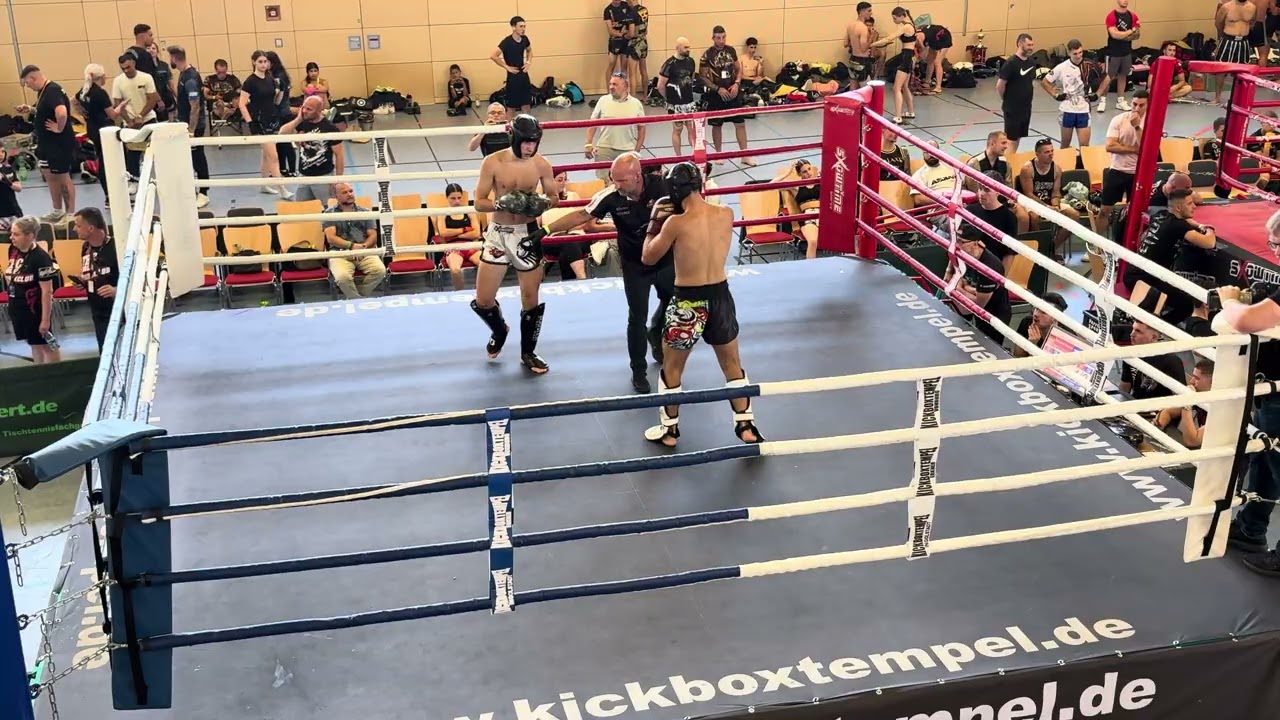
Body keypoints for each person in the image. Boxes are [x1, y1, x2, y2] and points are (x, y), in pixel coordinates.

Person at [639, 162, 763, 446]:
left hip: (688, 301)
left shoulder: (675, 223)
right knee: (732, 364)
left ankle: (670, 431)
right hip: (721, 296)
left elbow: (648, 257)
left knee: (672, 367)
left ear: (673, 190)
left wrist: (655, 223)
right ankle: (746, 426)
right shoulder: (726, 214)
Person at [537, 153, 670, 392]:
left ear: (638, 176)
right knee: (636, 318)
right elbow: (581, 216)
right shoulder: (610, 195)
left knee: (671, 302)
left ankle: (656, 330)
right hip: (634, 264)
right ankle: (638, 371)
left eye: (621, 180)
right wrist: (545, 230)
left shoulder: (662, 186)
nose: (616, 185)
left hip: (663, 258)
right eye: (613, 179)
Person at [470, 114, 559, 374]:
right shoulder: (493, 162)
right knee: (483, 299)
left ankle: (528, 352)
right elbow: (479, 202)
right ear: (516, 138)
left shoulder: (542, 164)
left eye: (535, 142)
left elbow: (554, 197)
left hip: (527, 233)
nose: (531, 147)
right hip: (498, 233)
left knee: (530, 298)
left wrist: (540, 203)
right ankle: (499, 329)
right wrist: (502, 203)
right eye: (527, 142)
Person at [1217, 212, 1280, 572]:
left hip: (1279, 391)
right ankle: (1250, 528)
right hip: (1271, 388)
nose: (1273, 252)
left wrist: (1229, 302)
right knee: (1264, 458)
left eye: (1277, 244)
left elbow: (1244, 320)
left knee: (1276, 463)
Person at [1122, 188, 1215, 324]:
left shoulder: (1161, 214)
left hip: (1133, 272)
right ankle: (1157, 328)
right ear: (1178, 207)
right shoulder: (1177, 226)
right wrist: (1209, 230)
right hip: (1145, 278)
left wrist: (1199, 225)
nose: (1194, 206)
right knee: (1186, 304)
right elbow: (1209, 243)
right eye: (1189, 204)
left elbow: (1187, 222)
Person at [19, 65, 77, 223]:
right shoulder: (43, 91)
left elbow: (61, 112)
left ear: (33, 78)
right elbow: (47, 111)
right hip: (46, 144)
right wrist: (31, 109)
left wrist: (59, 128)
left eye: (27, 83)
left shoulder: (52, 90)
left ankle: (70, 214)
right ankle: (58, 210)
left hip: (58, 144)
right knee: (49, 175)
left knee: (63, 177)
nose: (28, 87)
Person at [4, 216, 59, 363]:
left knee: (47, 344)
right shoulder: (12, 249)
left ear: (30, 236)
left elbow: (47, 291)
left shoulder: (42, 258)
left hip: (36, 308)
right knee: (34, 343)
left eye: (16, 234)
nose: (11, 238)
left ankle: (57, 373)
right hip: (18, 305)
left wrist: (45, 320)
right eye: (11, 233)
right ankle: (39, 372)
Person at [945, 221, 1012, 343]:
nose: (957, 245)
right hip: (974, 298)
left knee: (989, 349)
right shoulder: (963, 251)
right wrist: (949, 271)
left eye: (961, 242)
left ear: (975, 244)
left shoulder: (990, 268)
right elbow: (952, 258)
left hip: (993, 314)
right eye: (956, 240)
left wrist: (958, 287)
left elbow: (978, 305)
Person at [240, 50, 292, 199]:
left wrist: (281, 90)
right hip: (259, 121)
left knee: (266, 155)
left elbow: (275, 101)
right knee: (273, 156)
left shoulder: (270, 78)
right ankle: (282, 188)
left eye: (265, 62)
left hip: (271, 119)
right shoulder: (250, 81)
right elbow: (242, 104)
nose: (263, 64)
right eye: (260, 62)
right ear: (254, 62)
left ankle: (263, 184)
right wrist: (250, 122)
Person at [700, 26, 754, 166]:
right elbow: (703, 76)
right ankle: (718, 154)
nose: (721, 40)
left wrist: (736, 83)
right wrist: (717, 89)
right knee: (717, 125)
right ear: (713, 38)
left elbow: (738, 69)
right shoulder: (707, 55)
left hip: (733, 91)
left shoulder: (731, 51)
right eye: (718, 38)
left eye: (724, 37)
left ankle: (744, 155)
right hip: (716, 94)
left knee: (740, 123)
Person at [1098, 88, 1148, 239]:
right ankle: (1097, 244)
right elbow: (1110, 146)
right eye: (1134, 104)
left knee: (1136, 212)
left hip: (1138, 174)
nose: (1137, 109)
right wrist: (1134, 149)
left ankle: (1131, 243)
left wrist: (1137, 127)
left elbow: (1145, 149)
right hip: (1117, 170)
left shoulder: (1152, 122)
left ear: (1148, 105)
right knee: (1104, 211)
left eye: (1141, 105)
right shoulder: (1118, 119)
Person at [1018, 138, 1082, 256]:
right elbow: (1029, 194)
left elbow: (1055, 193)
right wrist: (1046, 207)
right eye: (1046, 152)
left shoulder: (1056, 169)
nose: (1051, 154)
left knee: (1074, 215)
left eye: (1052, 151)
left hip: (1049, 202)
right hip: (1032, 203)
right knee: (1034, 217)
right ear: (1037, 154)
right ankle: (1037, 248)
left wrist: (1056, 205)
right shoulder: (1027, 169)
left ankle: (1051, 248)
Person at [323, 183, 387, 299]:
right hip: (340, 253)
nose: (349, 194)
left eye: (351, 191)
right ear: (336, 196)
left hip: (364, 251)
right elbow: (331, 238)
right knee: (342, 278)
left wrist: (362, 248)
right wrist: (352, 246)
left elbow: (373, 235)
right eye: (344, 192)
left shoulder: (365, 212)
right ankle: (359, 300)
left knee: (380, 271)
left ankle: (356, 299)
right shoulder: (329, 213)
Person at [168, 46, 211, 209]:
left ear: (173, 58)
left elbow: (195, 106)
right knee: (189, 159)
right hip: (184, 124)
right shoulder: (184, 74)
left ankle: (204, 192)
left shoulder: (190, 78)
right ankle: (191, 190)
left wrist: (191, 130)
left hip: (193, 126)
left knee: (198, 157)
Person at [75, 64, 124, 206]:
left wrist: (82, 113)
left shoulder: (84, 91)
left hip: (92, 129)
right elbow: (113, 115)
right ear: (101, 77)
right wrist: (121, 106)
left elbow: (74, 100)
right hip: (105, 130)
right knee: (109, 162)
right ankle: (112, 194)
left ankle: (108, 194)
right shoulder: (100, 93)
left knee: (102, 160)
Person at [279, 96, 344, 203]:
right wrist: (298, 119)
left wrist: (337, 180)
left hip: (323, 177)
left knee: (330, 208)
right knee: (301, 209)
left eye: (309, 109)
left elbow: (339, 155)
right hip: (304, 176)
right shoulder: (302, 123)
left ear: (319, 111)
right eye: (303, 107)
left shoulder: (330, 128)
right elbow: (282, 133)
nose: (305, 111)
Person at [586, 73, 645, 181]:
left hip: (627, 150)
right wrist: (588, 143)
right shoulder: (603, 100)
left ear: (625, 86)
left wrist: (636, 151)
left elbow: (642, 128)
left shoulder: (636, 104)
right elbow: (592, 123)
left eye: (615, 84)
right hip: (604, 149)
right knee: (603, 183)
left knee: (626, 183)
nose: (611, 87)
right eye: (610, 84)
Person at [73, 208, 117, 350]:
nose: (74, 229)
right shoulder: (85, 247)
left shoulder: (116, 247)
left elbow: (136, 276)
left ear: (91, 228)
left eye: (78, 226)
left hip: (117, 310)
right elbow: (90, 271)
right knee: (104, 350)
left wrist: (117, 290)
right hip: (97, 310)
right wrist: (83, 281)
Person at [870, 7, 920, 123]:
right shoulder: (910, 24)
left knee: (896, 88)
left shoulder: (906, 27)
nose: (894, 21)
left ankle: (898, 116)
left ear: (901, 16)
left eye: (894, 18)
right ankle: (910, 111)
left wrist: (872, 44)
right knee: (905, 86)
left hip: (906, 57)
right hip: (908, 56)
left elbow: (889, 38)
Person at [1043, 39, 1094, 150]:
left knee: (1085, 147)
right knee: (1065, 145)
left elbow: (1106, 78)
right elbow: (1045, 82)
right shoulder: (1061, 67)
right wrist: (1055, 94)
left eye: (1080, 52)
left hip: (1083, 110)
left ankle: (1083, 166)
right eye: (1075, 53)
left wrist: (1098, 94)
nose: (1078, 56)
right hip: (1067, 110)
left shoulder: (1089, 65)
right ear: (1069, 53)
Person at [1153, 359, 1213, 449]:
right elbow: (1168, 411)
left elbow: (1191, 441)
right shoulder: (1200, 394)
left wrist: (1187, 405)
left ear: (1212, 382)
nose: (1192, 381)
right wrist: (1156, 428)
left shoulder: (1222, 407)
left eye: (1197, 378)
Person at [1118, 319, 1184, 400]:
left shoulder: (1171, 361)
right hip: (1135, 404)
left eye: (1138, 331)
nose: (1132, 334)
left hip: (1158, 409)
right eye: (1133, 329)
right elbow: (1124, 387)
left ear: (1153, 337)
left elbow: (1181, 399)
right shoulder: (1130, 353)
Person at [434, 182, 483, 291]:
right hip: (453, 248)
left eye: (459, 198)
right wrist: (464, 229)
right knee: (455, 270)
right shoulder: (442, 213)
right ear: (447, 198)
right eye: (453, 198)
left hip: (470, 246)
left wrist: (454, 233)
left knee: (485, 266)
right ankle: (460, 293)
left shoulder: (469, 212)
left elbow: (476, 233)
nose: (457, 201)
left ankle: (479, 291)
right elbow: (443, 233)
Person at [1097, 0, 1140, 112]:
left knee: (1123, 76)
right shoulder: (1111, 16)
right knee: (1108, 76)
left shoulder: (1133, 16)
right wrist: (1130, 31)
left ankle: (1120, 101)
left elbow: (1137, 35)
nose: (1125, 1)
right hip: (1113, 52)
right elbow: (1114, 35)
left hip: (1126, 52)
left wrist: (1123, 35)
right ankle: (1102, 100)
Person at [997, 33, 1038, 153]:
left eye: (1032, 45)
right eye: (1028, 45)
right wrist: (1005, 100)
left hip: (1026, 107)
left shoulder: (1031, 62)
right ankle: (1008, 164)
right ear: (1020, 44)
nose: (1031, 47)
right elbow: (1000, 85)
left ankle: (1012, 158)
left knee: (1018, 136)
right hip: (1012, 108)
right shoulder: (1011, 63)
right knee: (1011, 139)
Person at [657, 38, 698, 156]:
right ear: (678, 47)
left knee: (692, 129)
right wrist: (668, 98)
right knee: (677, 129)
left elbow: (692, 78)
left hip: (689, 101)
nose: (688, 50)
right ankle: (678, 156)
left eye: (689, 47)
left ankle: (695, 153)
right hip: (675, 104)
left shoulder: (691, 61)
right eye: (685, 47)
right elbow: (660, 85)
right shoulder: (669, 64)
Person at [779, 160, 823, 257]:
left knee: (849, 233)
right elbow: (771, 186)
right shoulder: (796, 187)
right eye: (804, 172)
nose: (809, 173)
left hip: (824, 217)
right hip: (809, 219)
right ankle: (810, 269)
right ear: (799, 174)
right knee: (812, 241)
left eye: (809, 169)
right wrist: (787, 173)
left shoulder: (821, 182)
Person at [493, 17, 533, 118]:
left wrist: (528, 62)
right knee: (511, 107)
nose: (523, 29)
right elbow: (494, 56)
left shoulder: (525, 39)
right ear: (513, 27)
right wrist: (507, 67)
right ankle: (509, 129)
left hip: (523, 74)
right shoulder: (507, 41)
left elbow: (529, 50)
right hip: (512, 77)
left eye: (524, 26)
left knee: (526, 105)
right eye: (521, 26)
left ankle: (526, 126)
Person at [266, 51, 296, 178]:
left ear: (272, 63)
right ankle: (282, 168)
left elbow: (277, 97)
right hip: (278, 113)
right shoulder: (273, 75)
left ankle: (293, 170)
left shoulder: (279, 77)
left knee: (286, 143)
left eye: (266, 61)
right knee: (279, 143)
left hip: (283, 113)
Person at [1011, 291, 1069, 357]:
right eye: (1036, 309)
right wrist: (1030, 344)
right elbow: (1017, 356)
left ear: (1055, 318)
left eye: (1043, 312)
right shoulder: (1027, 321)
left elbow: (1047, 366)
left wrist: (1033, 347)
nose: (1035, 314)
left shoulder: (1066, 336)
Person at [909, 141, 959, 207]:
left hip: (959, 203)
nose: (930, 155)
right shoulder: (918, 175)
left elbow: (962, 185)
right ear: (923, 154)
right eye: (926, 152)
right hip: (939, 209)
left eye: (933, 151)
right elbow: (918, 200)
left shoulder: (951, 168)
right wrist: (946, 200)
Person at [603, 0, 635, 90]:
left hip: (625, 41)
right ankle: (609, 91)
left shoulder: (626, 5)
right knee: (611, 64)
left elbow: (632, 22)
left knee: (624, 66)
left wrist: (627, 34)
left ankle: (623, 90)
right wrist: (621, 33)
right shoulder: (608, 10)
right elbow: (610, 31)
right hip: (614, 41)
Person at [844, 2, 876, 88]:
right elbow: (864, 48)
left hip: (852, 60)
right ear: (862, 11)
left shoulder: (850, 25)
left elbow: (845, 43)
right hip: (862, 62)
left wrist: (855, 42)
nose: (871, 13)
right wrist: (872, 37)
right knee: (866, 91)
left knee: (853, 90)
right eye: (869, 11)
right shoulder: (863, 28)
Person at [204, 60, 242, 124]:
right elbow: (205, 95)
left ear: (227, 69)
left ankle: (226, 113)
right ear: (216, 70)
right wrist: (214, 97)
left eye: (224, 72)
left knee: (239, 100)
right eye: (219, 72)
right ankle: (225, 114)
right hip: (216, 103)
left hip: (230, 103)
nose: (222, 75)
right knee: (219, 103)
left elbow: (240, 92)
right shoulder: (210, 79)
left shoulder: (233, 79)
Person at [920, 24, 953, 94]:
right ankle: (927, 81)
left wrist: (917, 58)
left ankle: (938, 87)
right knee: (930, 60)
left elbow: (922, 53)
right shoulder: (924, 33)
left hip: (945, 40)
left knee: (937, 61)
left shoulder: (924, 36)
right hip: (935, 40)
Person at [147, 42, 175, 124]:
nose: (151, 50)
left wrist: (177, 97)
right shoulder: (142, 67)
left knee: (169, 124)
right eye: (148, 48)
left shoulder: (164, 65)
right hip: (151, 101)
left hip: (166, 99)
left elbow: (170, 83)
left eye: (153, 48)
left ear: (157, 51)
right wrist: (158, 100)